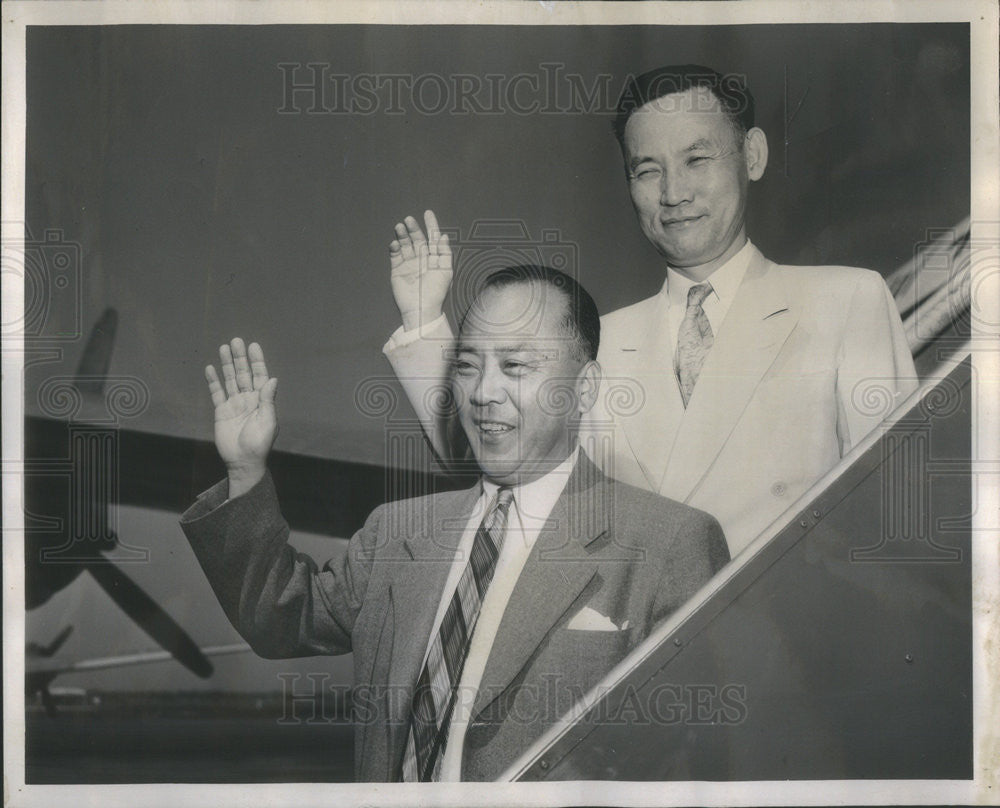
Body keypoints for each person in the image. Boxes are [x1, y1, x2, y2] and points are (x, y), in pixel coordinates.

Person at [179, 265, 729, 782]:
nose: (483, 393)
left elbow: (694, 763)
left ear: (583, 388)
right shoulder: (397, 531)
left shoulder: (670, 545)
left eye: (516, 366)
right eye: (467, 365)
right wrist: (246, 471)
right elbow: (279, 619)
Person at [382, 64, 918, 557]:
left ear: (752, 154)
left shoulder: (846, 301)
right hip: (632, 651)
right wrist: (425, 321)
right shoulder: (601, 340)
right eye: (647, 170)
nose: (674, 193)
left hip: (785, 643)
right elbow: (498, 461)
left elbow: (896, 509)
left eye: (697, 159)